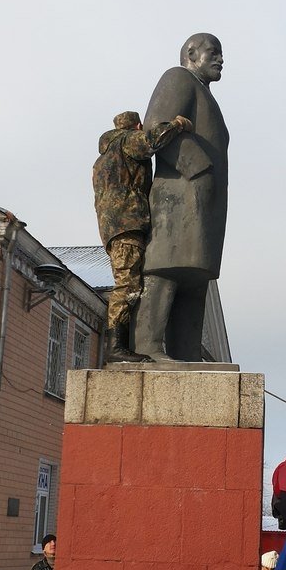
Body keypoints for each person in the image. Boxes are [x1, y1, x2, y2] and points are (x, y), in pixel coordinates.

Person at [133, 33, 230, 362]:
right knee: (167, 267)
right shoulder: (178, 78)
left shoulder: (204, 94)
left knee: (195, 274)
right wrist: (199, 169)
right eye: (213, 52)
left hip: (202, 202)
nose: (220, 59)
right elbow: (156, 126)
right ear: (191, 53)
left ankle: (186, 352)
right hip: (178, 194)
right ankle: (147, 346)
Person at [93, 109, 192, 363]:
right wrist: (178, 124)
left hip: (112, 226)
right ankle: (116, 347)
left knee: (127, 280)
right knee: (128, 284)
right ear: (136, 126)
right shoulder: (127, 141)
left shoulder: (102, 159)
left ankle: (120, 344)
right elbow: (151, 142)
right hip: (128, 222)